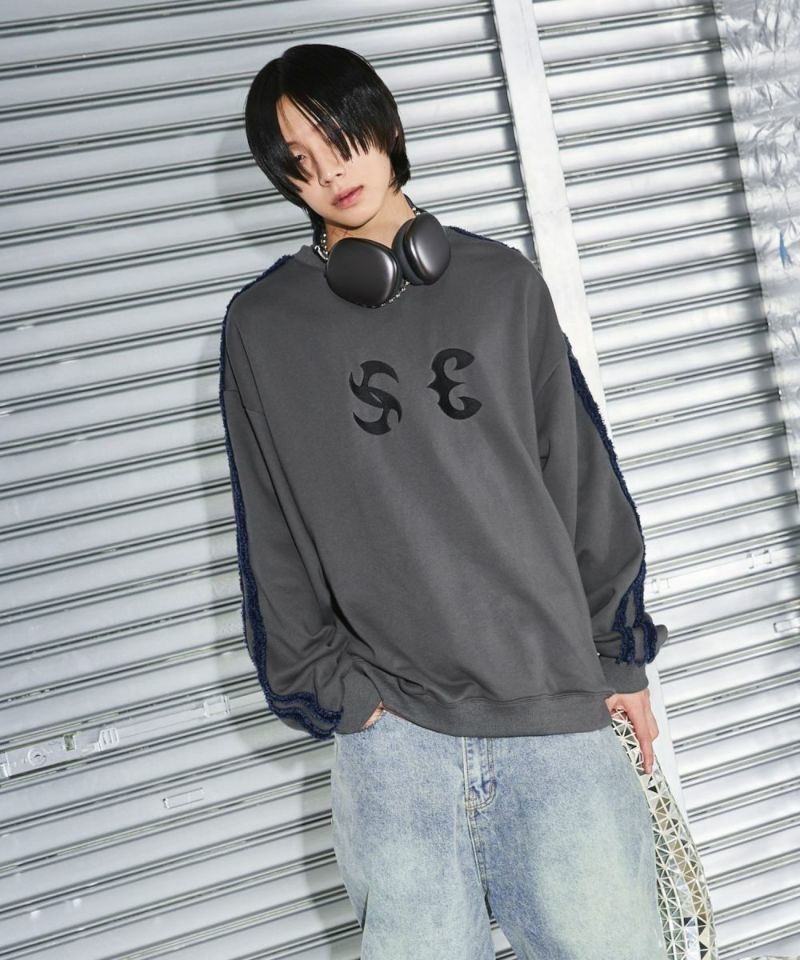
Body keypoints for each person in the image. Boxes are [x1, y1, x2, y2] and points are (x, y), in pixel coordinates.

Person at [220, 42, 670, 960]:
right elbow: (270, 533)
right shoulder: (265, 329)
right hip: (396, 746)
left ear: (384, 124)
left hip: (554, 712)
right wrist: (341, 700)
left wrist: (620, 657)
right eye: (299, 160)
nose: (330, 171)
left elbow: (583, 480)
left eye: (340, 136)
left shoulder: (501, 285)